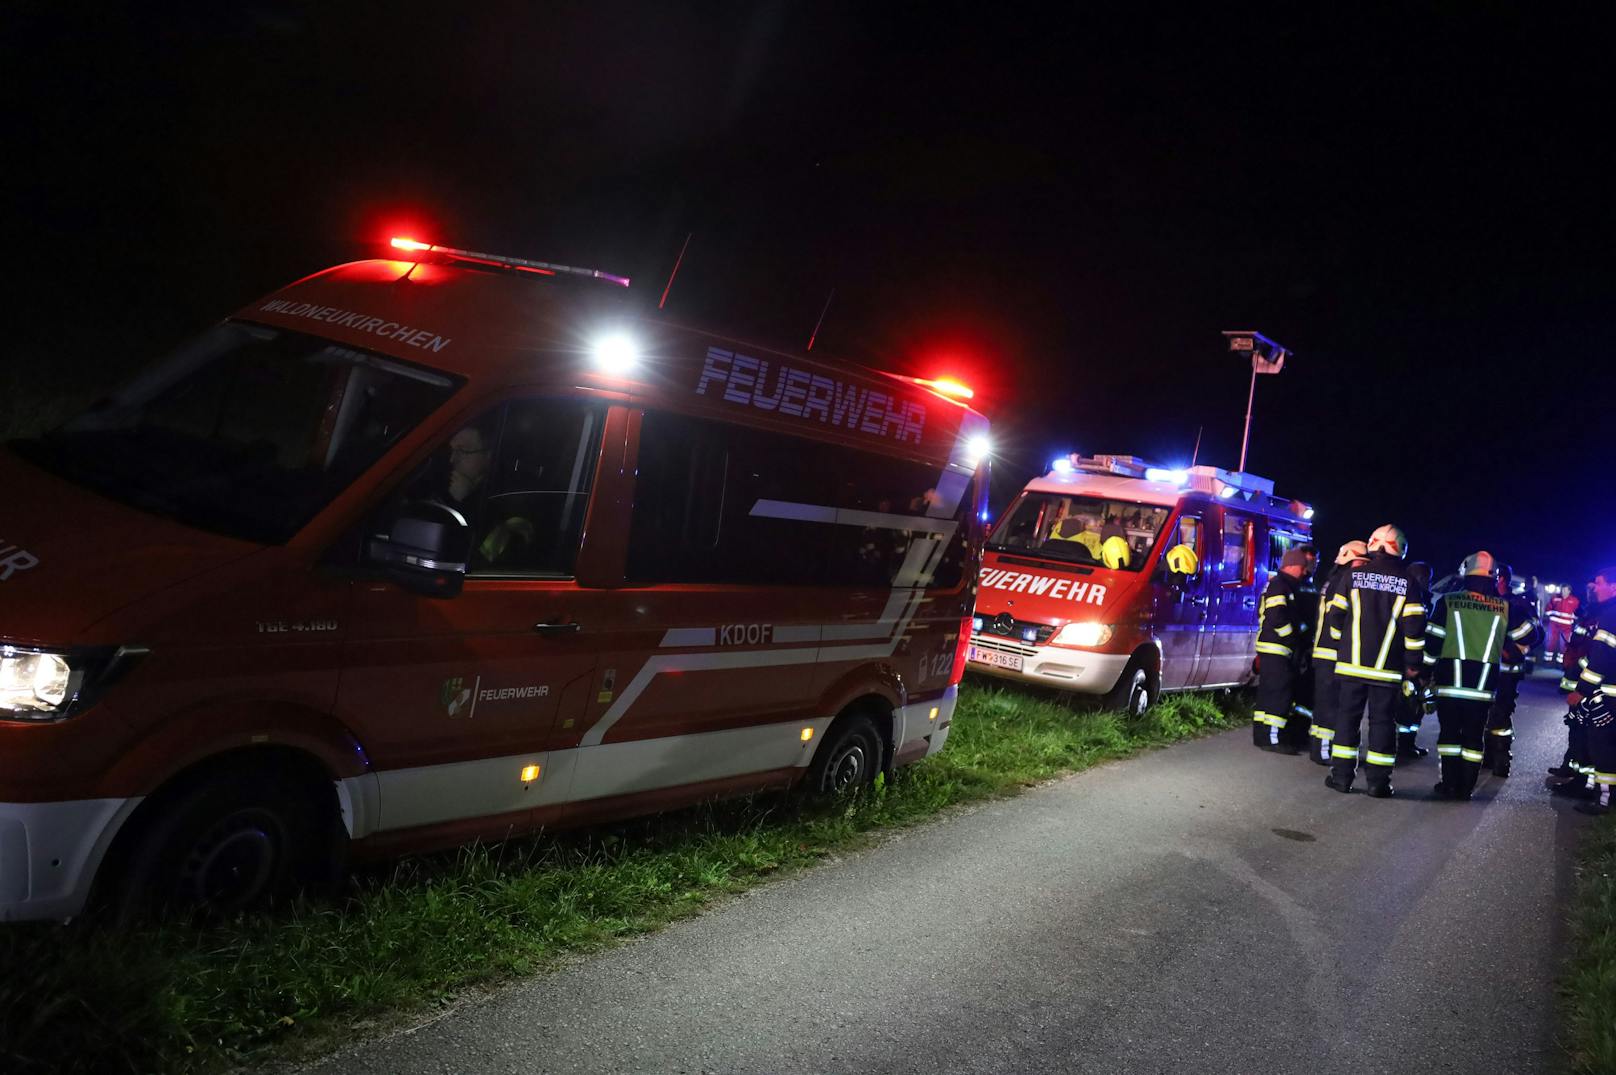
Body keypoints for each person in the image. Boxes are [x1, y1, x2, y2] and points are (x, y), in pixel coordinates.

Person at [1322, 524, 1426, 797]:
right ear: (1400, 549)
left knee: (1347, 720)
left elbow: (1335, 616)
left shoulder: (1353, 576)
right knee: (1382, 722)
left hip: (1350, 664)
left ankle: (1341, 778)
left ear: (1372, 544)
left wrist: (1341, 645)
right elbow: (1414, 628)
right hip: (1387, 670)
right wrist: (1413, 663)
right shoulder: (1408, 583)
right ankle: (1378, 783)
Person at [1425, 552, 1511, 800]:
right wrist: (1513, 651)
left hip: (1450, 684)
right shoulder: (1504, 607)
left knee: (1450, 735)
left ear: (1466, 573)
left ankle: (1450, 784)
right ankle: (1466, 788)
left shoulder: (1448, 602)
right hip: (1484, 687)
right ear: (1492, 578)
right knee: (1474, 737)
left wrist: (1423, 671)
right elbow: (1530, 634)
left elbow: (1433, 641)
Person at [1550, 568, 1616, 802]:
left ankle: (1603, 800)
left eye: (1599, 583)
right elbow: (1596, 654)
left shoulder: (1610, 615)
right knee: (1591, 743)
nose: (1594, 588)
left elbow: (1603, 657)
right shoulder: (1604, 613)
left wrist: (1581, 689)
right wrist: (1576, 669)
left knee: (1602, 748)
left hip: (1606, 695)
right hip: (1603, 692)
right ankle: (1586, 787)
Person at [1310, 540, 1368, 766]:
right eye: (1361, 562)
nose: (1364, 568)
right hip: (1331, 652)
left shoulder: (1335, 580)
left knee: (1326, 704)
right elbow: (1340, 618)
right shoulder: (1342, 582)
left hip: (1327, 651)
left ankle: (1321, 747)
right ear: (1350, 560)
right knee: (1330, 705)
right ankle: (1323, 751)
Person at [1482, 561, 1543, 777]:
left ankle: (1501, 759)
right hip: (1485, 669)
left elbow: (1537, 633)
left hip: (1507, 671)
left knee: (1500, 714)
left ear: (1500, 579)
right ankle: (1487, 756)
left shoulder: (1517, 604)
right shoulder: (1485, 601)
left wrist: (1515, 648)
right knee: (1485, 714)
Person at [1254, 547, 1316, 754]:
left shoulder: (1283, 585)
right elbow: (1277, 617)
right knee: (1279, 693)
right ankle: (1272, 739)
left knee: (1269, 693)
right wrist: (1293, 639)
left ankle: (1262, 735)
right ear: (1291, 565)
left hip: (1274, 647)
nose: (1304, 572)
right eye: (1301, 567)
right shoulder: (1280, 585)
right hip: (1278, 647)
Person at [1396, 561, 1434, 761]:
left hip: (1419, 660)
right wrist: (1413, 665)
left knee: (1417, 706)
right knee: (1408, 704)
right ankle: (1404, 746)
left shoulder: (1425, 599)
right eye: (1427, 578)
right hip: (1408, 662)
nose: (1429, 582)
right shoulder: (1410, 598)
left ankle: (1409, 743)